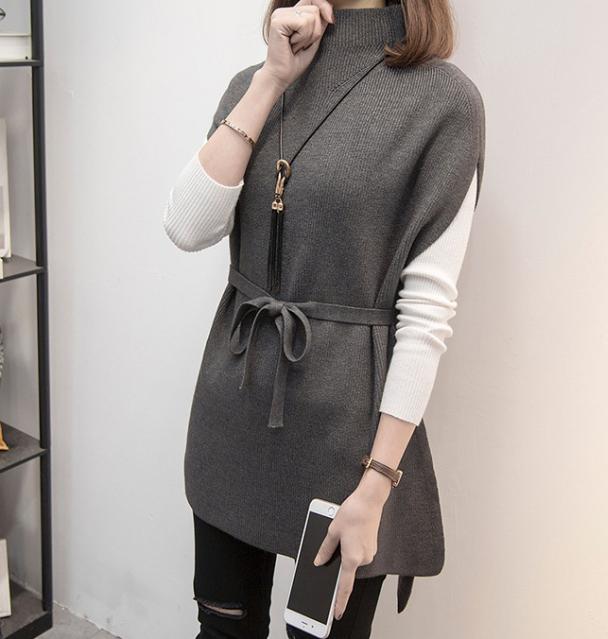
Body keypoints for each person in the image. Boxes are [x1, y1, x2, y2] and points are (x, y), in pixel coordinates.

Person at [163, 0, 485, 637]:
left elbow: (426, 314)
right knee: (223, 630)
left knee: (319, 633)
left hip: (348, 443)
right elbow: (186, 226)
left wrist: (377, 485)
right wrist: (270, 79)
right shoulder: (258, 80)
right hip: (233, 414)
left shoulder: (444, 103)